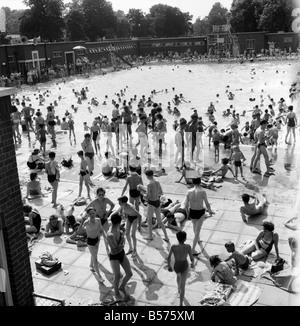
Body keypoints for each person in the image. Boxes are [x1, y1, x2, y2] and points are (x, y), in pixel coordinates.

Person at [102, 212, 133, 301]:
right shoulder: (110, 234)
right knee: (117, 276)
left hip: (121, 254)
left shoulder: (118, 229)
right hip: (114, 257)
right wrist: (123, 237)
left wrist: (122, 239)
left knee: (129, 273)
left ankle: (122, 287)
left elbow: (121, 246)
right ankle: (116, 293)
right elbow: (116, 247)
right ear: (118, 222)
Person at [184, 178, 213, 256]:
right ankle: (192, 249)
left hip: (192, 211)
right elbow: (207, 203)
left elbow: (186, 205)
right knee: (197, 232)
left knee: (194, 226)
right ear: (200, 182)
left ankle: (198, 239)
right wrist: (210, 211)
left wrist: (187, 214)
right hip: (200, 212)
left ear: (193, 182)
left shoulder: (189, 191)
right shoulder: (202, 192)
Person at [76, 207, 105, 283]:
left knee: (94, 254)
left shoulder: (98, 220)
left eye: (93, 213)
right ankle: (99, 276)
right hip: (90, 242)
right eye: (90, 214)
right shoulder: (86, 222)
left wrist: (102, 237)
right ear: (88, 215)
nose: (92, 215)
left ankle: (91, 265)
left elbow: (101, 229)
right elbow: (79, 231)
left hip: (97, 240)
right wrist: (82, 221)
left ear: (95, 213)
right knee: (95, 259)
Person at [140, 169, 169, 242]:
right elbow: (161, 192)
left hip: (151, 203)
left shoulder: (149, 184)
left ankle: (150, 236)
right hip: (157, 202)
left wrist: (141, 192)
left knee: (149, 220)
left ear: (147, 176)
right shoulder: (157, 182)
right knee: (160, 221)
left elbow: (147, 197)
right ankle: (166, 236)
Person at [167, 231, 194, 306]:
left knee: (178, 276)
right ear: (185, 238)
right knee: (183, 286)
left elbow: (168, 257)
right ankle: (181, 304)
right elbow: (192, 258)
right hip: (184, 266)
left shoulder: (173, 246)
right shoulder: (188, 246)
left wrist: (169, 266)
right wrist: (193, 264)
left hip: (176, 266)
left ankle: (178, 289)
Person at [121, 166, 143, 230]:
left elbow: (125, 187)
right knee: (137, 205)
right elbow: (142, 185)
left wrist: (122, 194)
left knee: (131, 205)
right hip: (137, 191)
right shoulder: (139, 177)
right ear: (135, 169)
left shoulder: (129, 177)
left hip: (132, 191)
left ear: (129, 169)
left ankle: (131, 217)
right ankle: (137, 217)